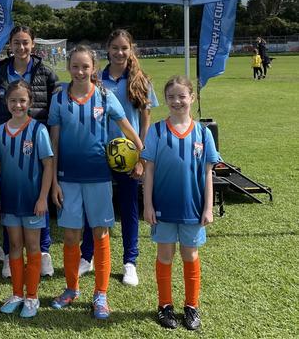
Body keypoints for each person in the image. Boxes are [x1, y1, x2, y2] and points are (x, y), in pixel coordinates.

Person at [49, 45, 143, 319]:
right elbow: (53, 143)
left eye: (85, 66)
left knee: (101, 234)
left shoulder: (105, 95)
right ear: (68, 67)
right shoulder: (59, 99)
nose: (80, 71)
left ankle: (100, 294)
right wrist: (54, 182)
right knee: (70, 235)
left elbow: (129, 129)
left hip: (99, 177)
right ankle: (71, 289)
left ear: (93, 68)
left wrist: (141, 157)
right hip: (68, 179)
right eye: (75, 66)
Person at [78, 29, 158, 285]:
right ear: (107, 50)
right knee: (95, 207)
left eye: (124, 48)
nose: (120, 52)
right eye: (115, 48)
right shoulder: (96, 79)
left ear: (131, 49)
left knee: (128, 208)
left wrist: (141, 156)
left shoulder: (140, 80)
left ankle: (129, 262)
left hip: (129, 157)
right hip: (99, 154)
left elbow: (146, 121)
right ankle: (87, 256)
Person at [0, 25, 58, 279]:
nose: (21, 47)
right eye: (16, 42)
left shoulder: (45, 72)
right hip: (7, 140)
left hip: (36, 139)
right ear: (10, 45)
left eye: (25, 42)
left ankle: (43, 252)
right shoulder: (0, 74)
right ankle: (10, 254)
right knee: (10, 199)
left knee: (37, 199)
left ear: (33, 44)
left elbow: (56, 105)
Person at [142, 76, 219, 331]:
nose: (177, 101)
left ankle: (191, 306)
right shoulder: (156, 130)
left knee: (190, 254)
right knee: (165, 256)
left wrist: (208, 207)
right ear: (165, 100)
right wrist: (148, 205)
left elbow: (208, 173)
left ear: (192, 98)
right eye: (171, 97)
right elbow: (149, 171)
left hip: (193, 209)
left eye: (182, 96)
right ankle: (165, 305)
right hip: (163, 208)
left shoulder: (203, 133)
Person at [0, 80, 54, 319]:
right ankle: (17, 293)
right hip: (10, 201)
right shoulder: (0, 132)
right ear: (6, 103)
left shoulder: (38, 130)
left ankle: (32, 296)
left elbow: (48, 165)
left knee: (33, 247)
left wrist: (42, 198)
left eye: (22, 100)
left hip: (33, 202)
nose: (18, 105)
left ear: (30, 102)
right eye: (13, 100)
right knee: (15, 246)